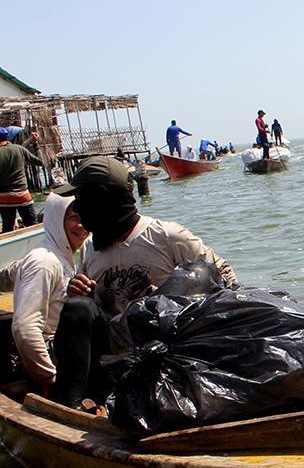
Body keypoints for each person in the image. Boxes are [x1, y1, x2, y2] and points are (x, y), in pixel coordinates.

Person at [50, 156, 237, 408]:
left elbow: (224, 276)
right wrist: (78, 292)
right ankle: (75, 407)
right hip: (114, 355)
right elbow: (88, 311)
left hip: (165, 352)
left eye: (81, 200)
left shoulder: (165, 236)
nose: (77, 209)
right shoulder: (90, 250)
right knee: (77, 310)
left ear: (101, 199)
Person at [0, 192, 89, 397]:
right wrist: (48, 380)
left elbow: (13, 272)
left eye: (84, 217)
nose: (81, 225)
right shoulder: (44, 263)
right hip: (52, 360)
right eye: (73, 218)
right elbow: (24, 327)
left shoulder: (59, 253)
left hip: (58, 350)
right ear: (56, 221)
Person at [0, 126, 44, 232]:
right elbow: (40, 161)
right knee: (32, 225)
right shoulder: (19, 149)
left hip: (5, 198)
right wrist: (36, 144)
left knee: (7, 227)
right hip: (22, 195)